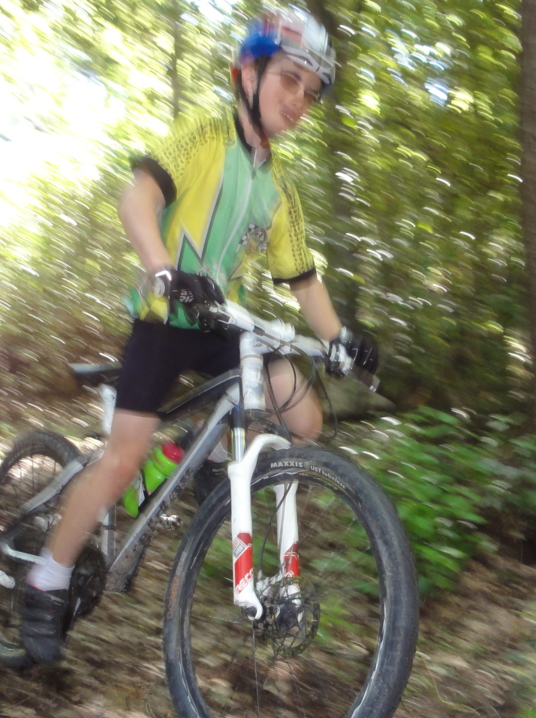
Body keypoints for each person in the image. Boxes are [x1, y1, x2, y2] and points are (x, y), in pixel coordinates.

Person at [19, 6, 378, 663]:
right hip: (165, 318)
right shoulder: (203, 136)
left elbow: (303, 280)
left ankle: (202, 453)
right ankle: (46, 578)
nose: (299, 100)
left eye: (310, 91)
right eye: (289, 80)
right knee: (122, 458)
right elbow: (137, 200)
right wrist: (163, 269)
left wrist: (342, 338)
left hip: (222, 324)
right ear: (248, 73)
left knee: (302, 417)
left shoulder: (280, 188)